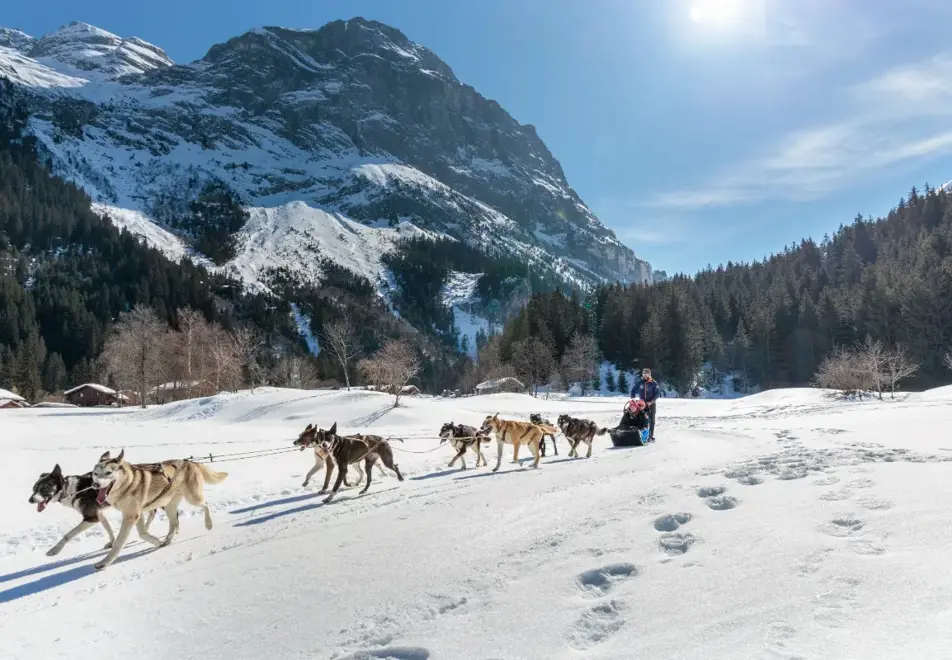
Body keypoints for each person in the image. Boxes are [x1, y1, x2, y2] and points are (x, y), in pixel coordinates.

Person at [630, 368, 659, 441]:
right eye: (643, 374)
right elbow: (633, 389)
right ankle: (643, 436)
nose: (645, 375)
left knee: (651, 420)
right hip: (642, 404)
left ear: (649, 374)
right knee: (643, 419)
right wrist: (633, 398)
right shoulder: (639, 382)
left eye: (646, 374)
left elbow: (657, 393)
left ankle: (651, 436)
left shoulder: (653, 383)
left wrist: (652, 401)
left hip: (651, 404)